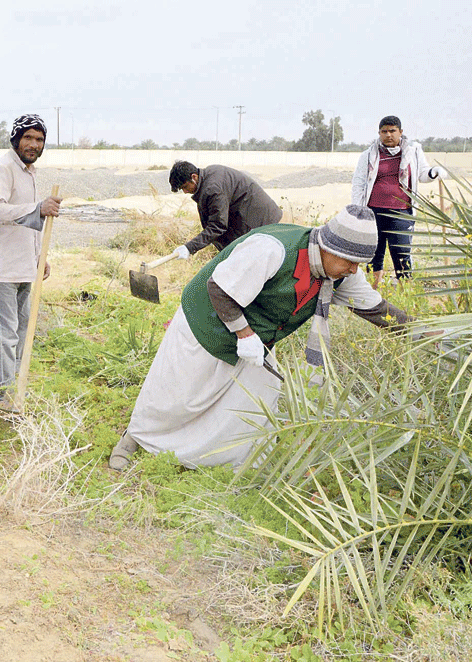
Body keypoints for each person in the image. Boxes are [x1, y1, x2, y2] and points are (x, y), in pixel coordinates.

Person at [109, 206, 409, 471]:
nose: (355, 270)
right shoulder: (272, 249)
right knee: (180, 394)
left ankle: (219, 457)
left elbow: (377, 310)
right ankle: (135, 437)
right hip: (206, 318)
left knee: (256, 397)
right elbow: (220, 289)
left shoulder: (340, 271)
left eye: (358, 264)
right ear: (330, 248)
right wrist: (244, 333)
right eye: (350, 262)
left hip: (255, 335)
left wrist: (427, 332)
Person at [0, 114, 61, 404]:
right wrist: (38, 207)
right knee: (3, 336)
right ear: (16, 139)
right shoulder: (2, 170)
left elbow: (29, 221)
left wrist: (38, 256)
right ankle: (2, 396)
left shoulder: (28, 172)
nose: (34, 145)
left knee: (20, 333)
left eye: (39, 139)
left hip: (22, 268)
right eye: (29, 138)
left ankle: (13, 393)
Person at [351, 115, 444, 288]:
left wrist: (433, 172)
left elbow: (422, 173)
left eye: (392, 131)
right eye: (384, 131)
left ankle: (405, 294)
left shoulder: (413, 151)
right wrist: (357, 211)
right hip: (373, 212)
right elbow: (359, 183)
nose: (388, 135)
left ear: (401, 132)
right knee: (374, 254)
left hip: (401, 212)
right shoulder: (369, 155)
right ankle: (374, 295)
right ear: (379, 133)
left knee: (402, 255)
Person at [168, 161, 283, 260]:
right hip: (249, 215)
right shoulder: (209, 174)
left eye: (185, 187)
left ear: (194, 177)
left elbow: (218, 225)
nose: (185, 192)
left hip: (261, 220)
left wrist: (189, 248)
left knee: (253, 264)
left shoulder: (213, 188)